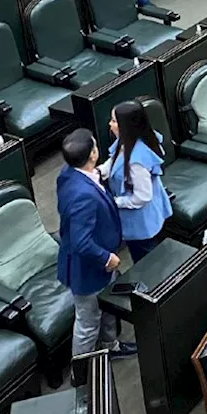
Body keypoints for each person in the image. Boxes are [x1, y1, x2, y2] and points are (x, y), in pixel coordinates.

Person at [55, 129, 137, 360]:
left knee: (108, 307)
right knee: (88, 324)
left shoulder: (68, 174)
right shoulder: (83, 195)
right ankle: (82, 376)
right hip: (89, 270)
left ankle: (110, 346)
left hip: (100, 268)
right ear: (93, 154)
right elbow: (82, 242)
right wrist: (107, 258)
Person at [102, 100, 171, 264]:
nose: (110, 124)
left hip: (141, 221)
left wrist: (115, 202)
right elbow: (115, 159)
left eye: (114, 121)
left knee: (146, 261)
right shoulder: (131, 139)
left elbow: (142, 196)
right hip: (149, 213)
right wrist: (100, 171)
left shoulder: (136, 163)